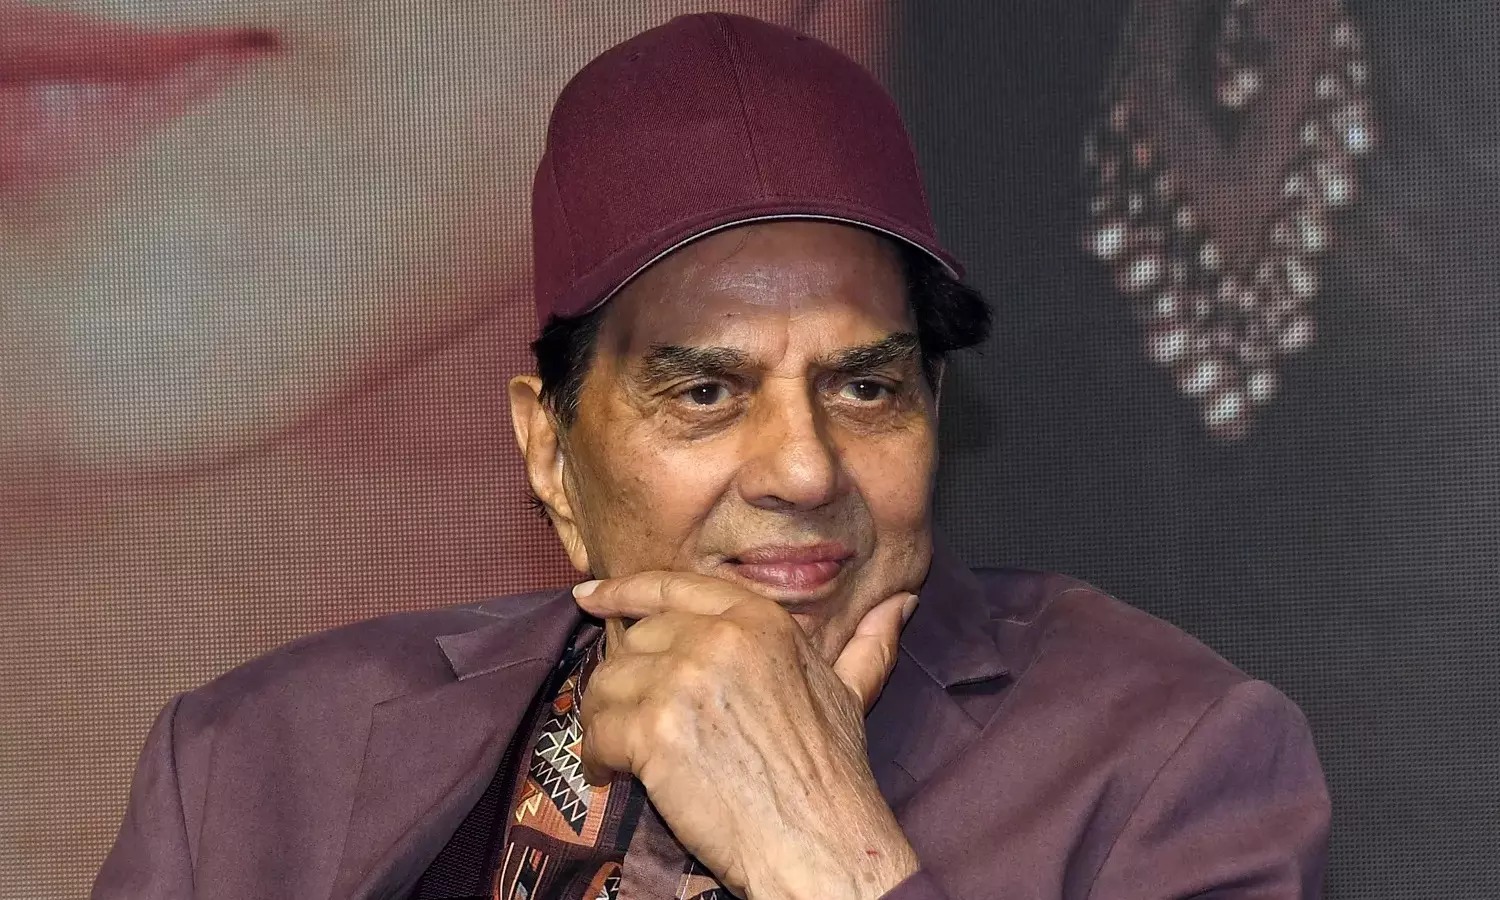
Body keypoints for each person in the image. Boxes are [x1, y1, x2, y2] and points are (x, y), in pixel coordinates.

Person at [93, 14, 1330, 900]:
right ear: (550, 451)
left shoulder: (1167, 768)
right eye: (704, 391)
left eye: (865, 386)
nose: (803, 470)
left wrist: (823, 855)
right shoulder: (251, 770)